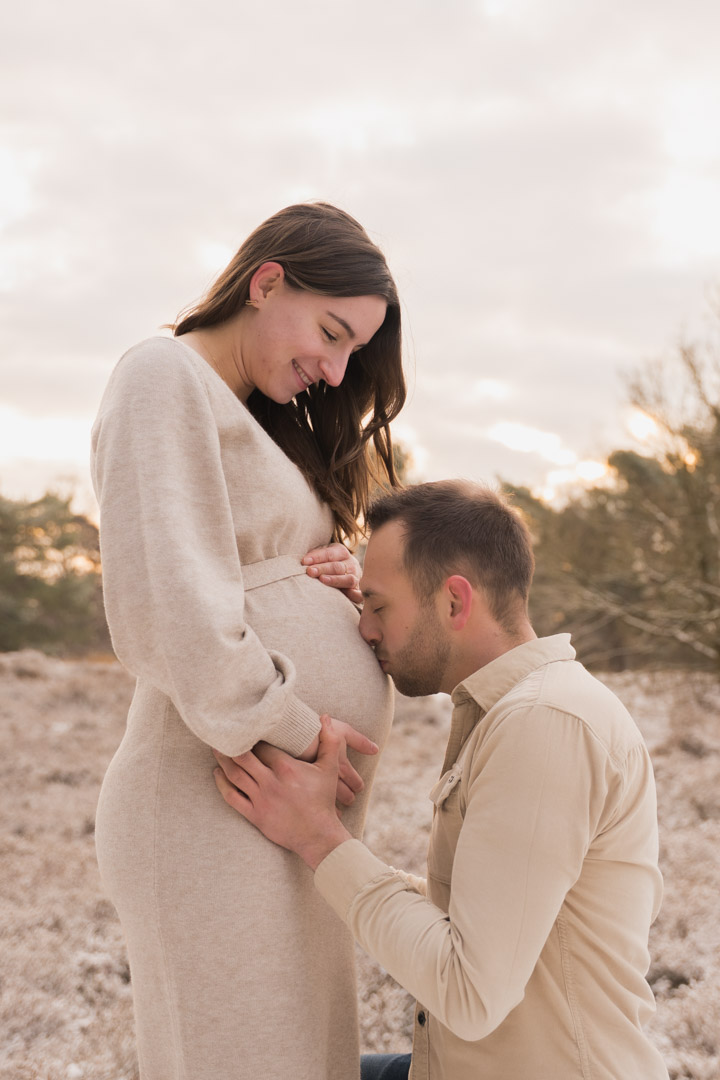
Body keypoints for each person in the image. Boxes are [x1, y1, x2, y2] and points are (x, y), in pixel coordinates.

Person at [91, 202, 406, 1080]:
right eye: (331, 332)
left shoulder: (252, 415)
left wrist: (347, 578)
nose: (337, 370)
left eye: (353, 354)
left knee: (304, 1058)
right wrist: (311, 732)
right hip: (214, 792)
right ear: (267, 282)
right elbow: (170, 609)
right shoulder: (161, 374)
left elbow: (244, 568)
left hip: (273, 799)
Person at [214, 480, 670, 1080]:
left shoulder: (543, 723)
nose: (364, 629)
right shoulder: (516, 710)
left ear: (455, 602)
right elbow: (486, 908)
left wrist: (320, 840)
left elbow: (470, 993)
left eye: (377, 608)